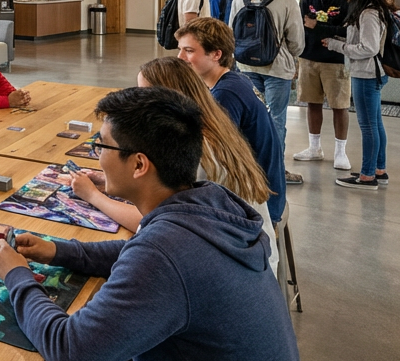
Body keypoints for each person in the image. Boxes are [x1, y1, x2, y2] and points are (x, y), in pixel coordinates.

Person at [0, 86, 303, 361]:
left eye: (101, 146)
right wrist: (60, 251)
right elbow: (143, 252)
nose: (97, 155)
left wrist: (18, 276)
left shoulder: (165, 254)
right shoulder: (209, 202)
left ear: (139, 165)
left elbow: (69, 352)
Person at [65, 57, 278, 270]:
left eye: (145, 96)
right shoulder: (213, 125)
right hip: (246, 253)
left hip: (232, 264)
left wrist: (93, 196)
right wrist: (108, 179)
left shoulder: (197, 151)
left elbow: (148, 221)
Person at [175, 18, 286, 226]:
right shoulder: (233, 79)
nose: (180, 57)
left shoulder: (226, 93)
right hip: (260, 188)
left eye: (189, 51)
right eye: (180, 49)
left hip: (257, 201)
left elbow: (209, 156)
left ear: (217, 54)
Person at [229, 0, 305, 185]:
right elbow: (297, 42)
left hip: (245, 65)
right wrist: (293, 59)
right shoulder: (286, 1)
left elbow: (231, 32)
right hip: (277, 68)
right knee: (276, 120)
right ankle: (275, 172)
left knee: (250, 118)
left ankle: (249, 169)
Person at [326, 0, 391, 190]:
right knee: (375, 123)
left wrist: (338, 46)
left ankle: (367, 176)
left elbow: (369, 48)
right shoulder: (369, 11)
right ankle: (378, 170)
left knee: (368, 126)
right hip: (371, 72)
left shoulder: (369, 13)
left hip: (366, 74)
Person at [294, 0, 352, 171]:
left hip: (335, 60)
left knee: (340, 106)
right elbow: (302, 27)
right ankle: (314, 148)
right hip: (309, 57)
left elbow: (347, 31)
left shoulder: (346, 1)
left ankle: (340, 151)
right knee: (312, 103)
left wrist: (318, 26)